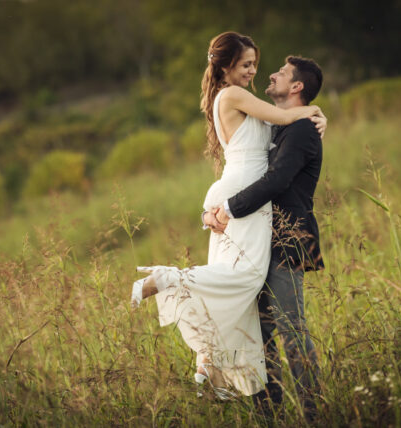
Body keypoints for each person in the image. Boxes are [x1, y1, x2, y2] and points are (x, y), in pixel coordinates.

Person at [131, 32, 326, 399]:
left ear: (296, 85)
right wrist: (314, 111)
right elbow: (280, 130)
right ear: (226, 66)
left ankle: (209, 356)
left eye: (258, 64)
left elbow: (279, 140)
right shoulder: (236, 96)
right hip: (241, 198)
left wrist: (312, 116)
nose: (258, 72)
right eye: (247, 65)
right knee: (247, 279)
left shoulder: (256, 107)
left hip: (248, 205)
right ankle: (170, 281)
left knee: (248, 297)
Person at [209, 55, 325, 418]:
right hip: (255, 242)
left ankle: (315, 413)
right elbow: (248, 170)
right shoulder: (278, 126)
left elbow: (276, 181)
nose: (269, 75)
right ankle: (268, 416)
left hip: (286, 245)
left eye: (281, 73)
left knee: (292, 331)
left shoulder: (303, 129)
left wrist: (227, 208)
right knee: (257, 337)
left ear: (296, 87)